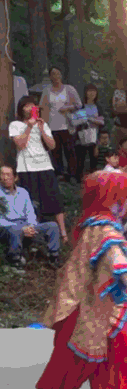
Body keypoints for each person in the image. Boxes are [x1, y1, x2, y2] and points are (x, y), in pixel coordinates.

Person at [35, 171, 127, 389]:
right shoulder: (103, 228)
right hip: (95, 313)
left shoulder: (93, 226)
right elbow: (115, 258)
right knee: (114, 359)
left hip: (97, 308)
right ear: (114, 199)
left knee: (87, 363)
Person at [10, 96, 69, 243]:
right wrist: (29, 126)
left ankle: (63, 233)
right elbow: (21, 144)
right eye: (27, 105)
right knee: (32, 201)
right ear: (21, 108)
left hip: (45, 165)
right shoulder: (16, 125)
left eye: (33, 105)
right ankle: (36, 236)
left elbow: (52, 146)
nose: (30, 108)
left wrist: (42, 129)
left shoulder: (43, 124)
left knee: (55, 198)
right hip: (26, 167)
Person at [0, 165, 60, 272]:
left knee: (52, 226)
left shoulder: (23, 192)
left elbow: (30, 212)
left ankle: (53, 256)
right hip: (8, 228)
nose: (5, 178)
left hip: (26, 225)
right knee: (15, 230)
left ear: (15, 177)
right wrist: (21, 228)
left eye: (8, 174)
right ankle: (15, 259)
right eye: (2, 174)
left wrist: (31, 226)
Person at [39, 66, 83, 182]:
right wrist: (43, 125)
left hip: (68, 125)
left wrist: (68, 107)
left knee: (70, 150)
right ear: (50, 77)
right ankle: (59, 173)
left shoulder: (69, 89)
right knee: (55, 151)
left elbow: (79, 104)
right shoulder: (47, 91)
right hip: (53, 125)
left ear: (61, 75)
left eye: (58, 73)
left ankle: (72, 174)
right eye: (53, 74)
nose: (56, 76)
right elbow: (42, 107)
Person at [75, 84, 105, 182]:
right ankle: (78, 180)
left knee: (94, 159)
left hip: (94, 136)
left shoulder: (98, 107)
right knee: (80, 159)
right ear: (85, 93)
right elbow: (77, 120)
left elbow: (102, 121)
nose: (91, 93)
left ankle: (93, 180)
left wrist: (90, 119)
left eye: (94, 91)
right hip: (82, 136)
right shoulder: (81, 106)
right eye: (89, 91)